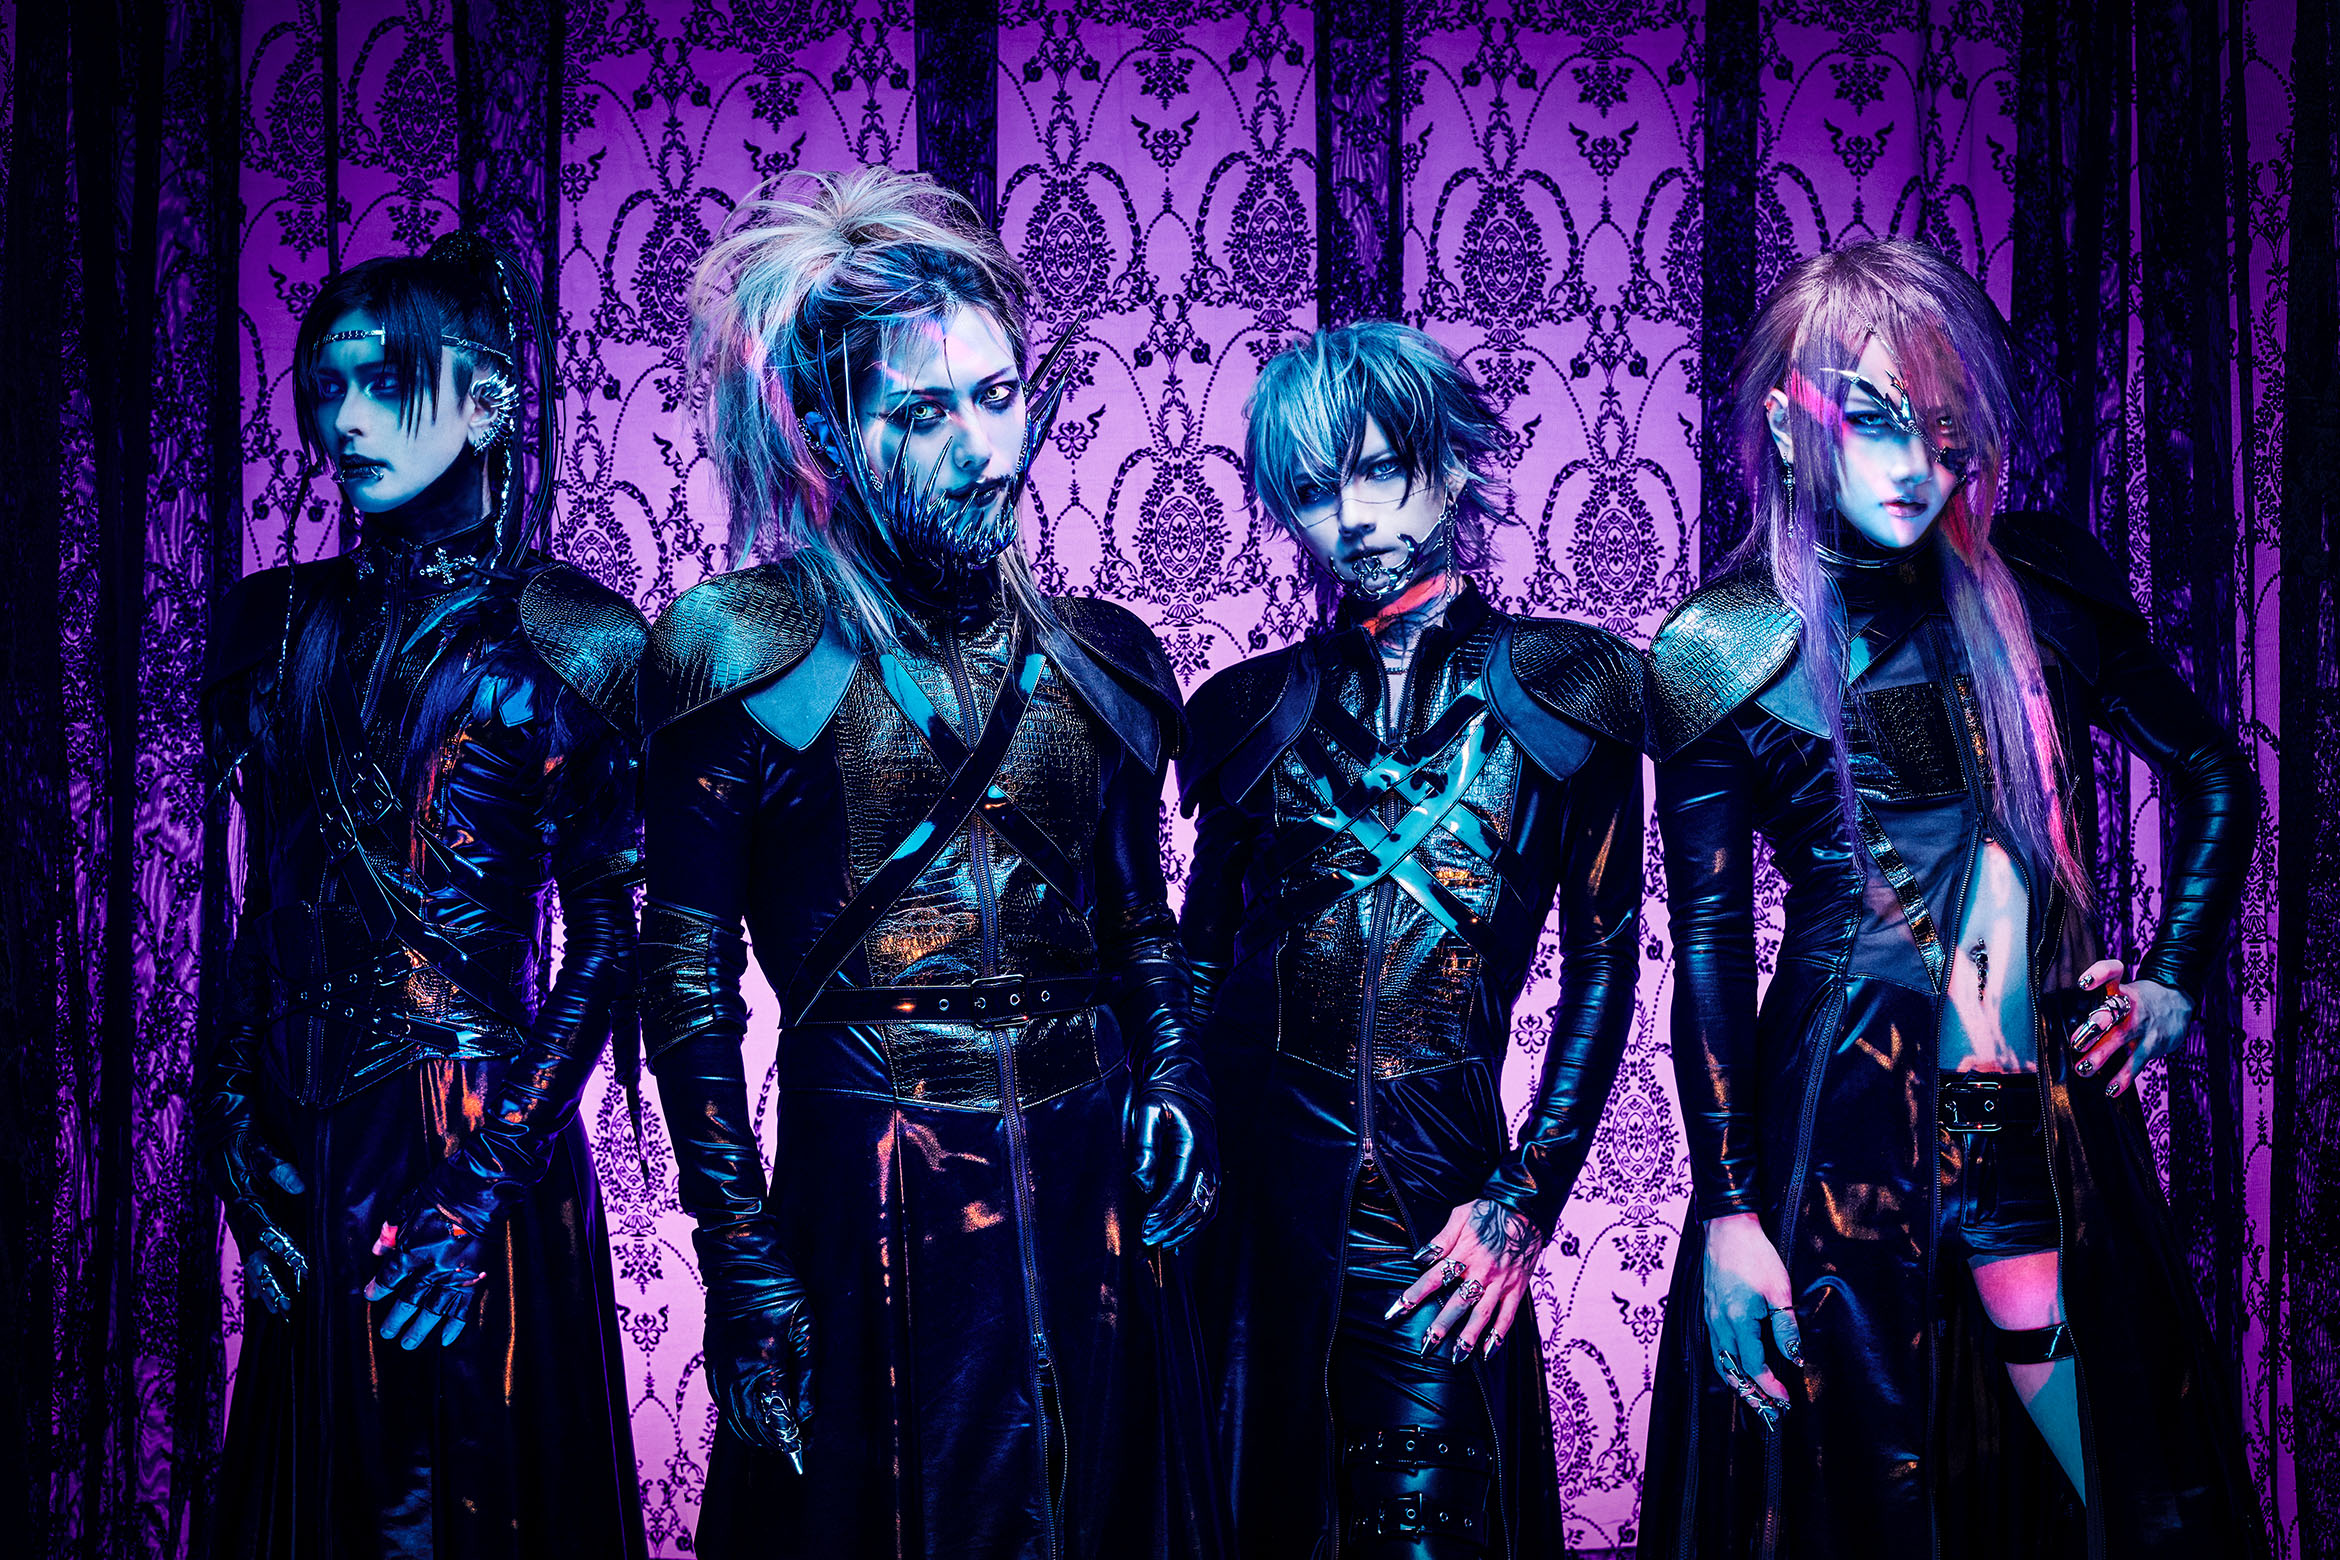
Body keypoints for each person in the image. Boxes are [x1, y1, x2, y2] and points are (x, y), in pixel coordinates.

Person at [1637, 239, 2266, 1556]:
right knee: (1863, 1494)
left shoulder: (2040, 589)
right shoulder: (1723, 644)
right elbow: (1705, 952)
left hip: (2044, 1112)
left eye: (1944, 428)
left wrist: (2171, 979)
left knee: (2105, 1486)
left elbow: (2217, 771)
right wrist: (1731, 1210)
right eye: (1873, 422)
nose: (1916, 465)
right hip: (1842, 1128)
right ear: (1786, 422)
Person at [638, 166, 1221, 1560]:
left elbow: (1139, 928)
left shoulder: (1103, 658)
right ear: (829, 434)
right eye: (921, 412)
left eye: (997, 395)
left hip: (1094, 1194)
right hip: (871, 1195)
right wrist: (742, 1260)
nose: (981, 449)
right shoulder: (737, 649)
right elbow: (685, 982)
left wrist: (1178, 1076)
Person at [196, 236, 649, 1558]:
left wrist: (476, 1191)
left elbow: (606, 946)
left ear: (488, 403)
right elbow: (263, 903)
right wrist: (233, 1127)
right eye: (325, 387)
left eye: (386, 382)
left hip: (472, 1139)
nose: (342, 421)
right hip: (308, 1131)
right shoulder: (275, 626)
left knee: (470, 1496)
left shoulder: (574, 638)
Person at [1178, 321, 1644, 1559]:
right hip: (1250, 1203)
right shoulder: (1247, 710)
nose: (1354, 517)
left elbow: (1606, 962)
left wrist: (1524, 1195)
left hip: (1437, 1203)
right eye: (1313, 491)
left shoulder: (1569, 690)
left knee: (1425, 1531)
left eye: (1382, 469)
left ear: (1449, 462)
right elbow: (1194, 964)